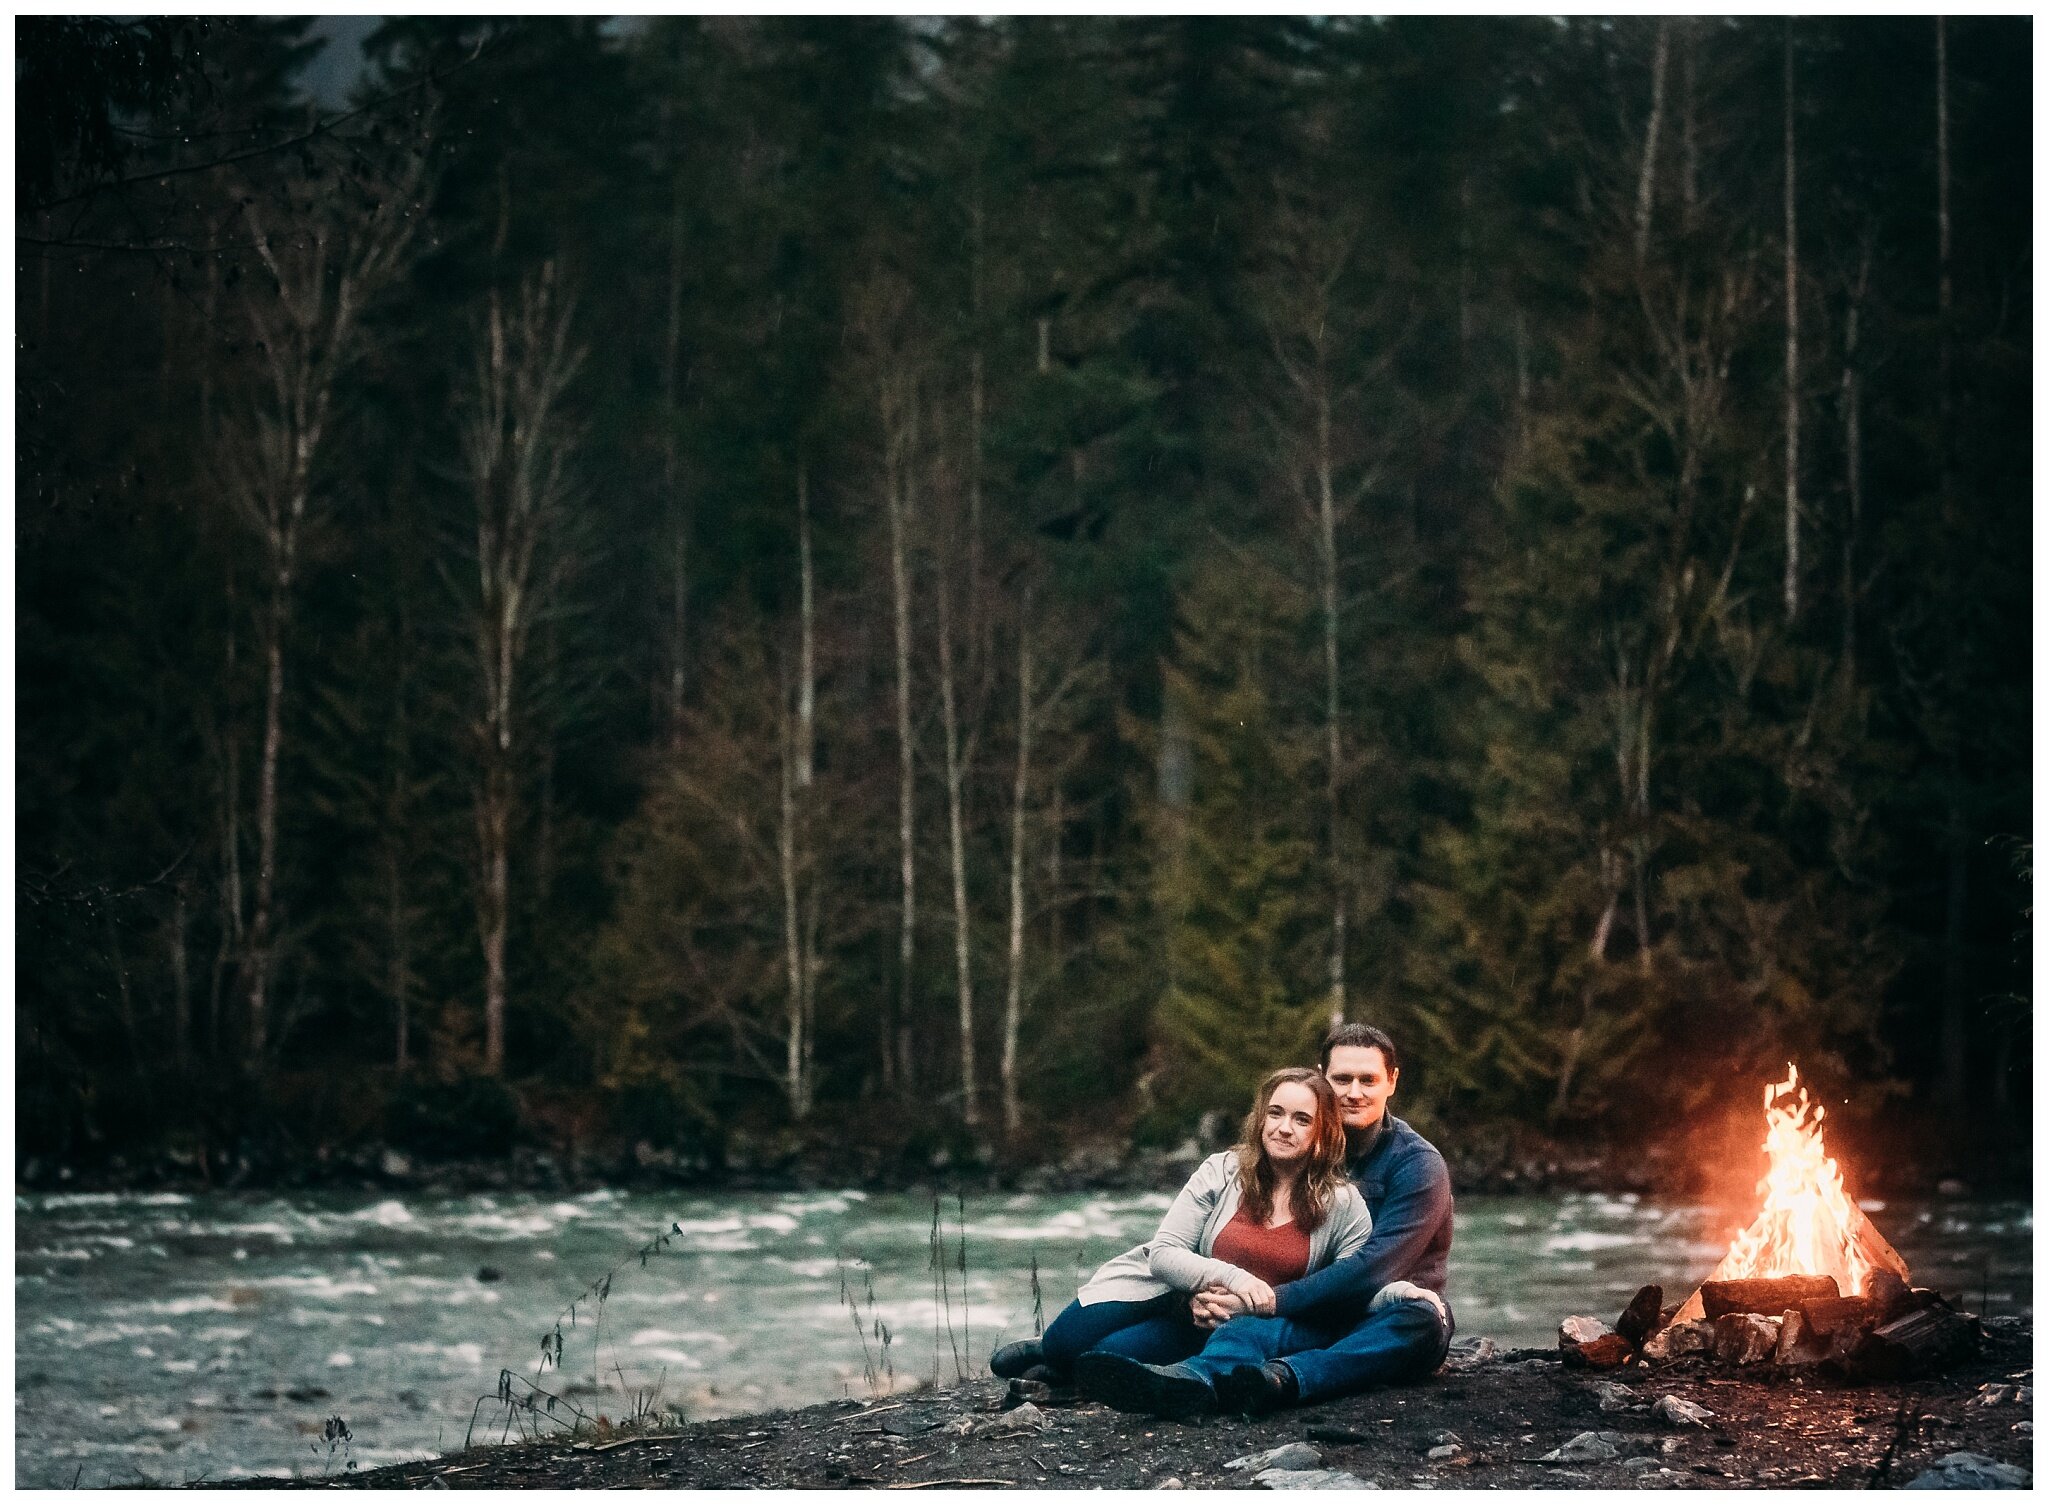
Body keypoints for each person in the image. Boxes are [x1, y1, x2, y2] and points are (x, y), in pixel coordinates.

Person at [1074, 1022, 1454, 1420]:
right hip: (1298, 1311)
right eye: (1342, 1079)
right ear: (1323, 1078)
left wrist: (1270, 1301)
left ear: (1391, 1081)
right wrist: (1208, 1296)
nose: (1354, 1093)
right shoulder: (1299, 1148)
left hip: (1380, 1311)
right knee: (1241, 1331)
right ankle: (1194, 1380)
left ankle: (1282, 1379)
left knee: (1420, 1322)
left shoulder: (1417, 1166)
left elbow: (1373, 1270)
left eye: (1368, 1080)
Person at [989, 1068, 1371, 1384]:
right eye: (1276, 1113)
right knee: (1063, 1342)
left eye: (1301, 1119)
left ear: (1323, 1132)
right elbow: (1165, 1253)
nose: (1283, 1128)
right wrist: (1231, 1281)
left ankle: (1061, 1374)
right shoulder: (1222, 1170)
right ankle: (1049, 1351)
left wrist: (1248, 1306)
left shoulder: (1343, 1204)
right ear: (1261, 1118)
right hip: (1173, 1298)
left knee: (1103, 1360)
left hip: (1238, 1330)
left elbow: (1347, 1288)